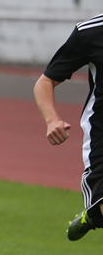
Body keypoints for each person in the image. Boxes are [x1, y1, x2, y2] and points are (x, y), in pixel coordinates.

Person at [35, 13, 103, 241]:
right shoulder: (90, 32)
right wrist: (52, 120)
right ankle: (95, 212)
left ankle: (94, 215)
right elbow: (45, 82)